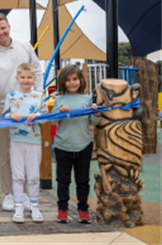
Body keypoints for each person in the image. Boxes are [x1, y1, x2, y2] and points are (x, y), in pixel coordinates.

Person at [0, 12, 43, 212]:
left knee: (28, 149)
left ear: (8, 26)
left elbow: (37, 70)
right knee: (6, 153)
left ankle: (25, 193)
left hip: (30, 108)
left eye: (3, 28)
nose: (1, 32)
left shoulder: (25, 46)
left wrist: (39, 96)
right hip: (4, 109)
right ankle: (10, 193)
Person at [50, 64, 101, 224]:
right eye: (68, 80)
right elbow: (52, 122)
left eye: (75, 79)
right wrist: (60, 112)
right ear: (62, 82)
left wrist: (96, 113)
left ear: (81, 80)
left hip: (84, 146)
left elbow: (92, 121)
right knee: (62, 181)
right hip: (63, 146)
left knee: (83, 181)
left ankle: (83, 210)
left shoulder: (87, 99)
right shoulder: (58, 99)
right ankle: (62, 210)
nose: (72, 83)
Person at [2, 63, 46, 223]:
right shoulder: (11, 96)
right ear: (17, 78)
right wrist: (11, 115)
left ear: (34, 79)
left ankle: (35, 206)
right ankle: (18, 206)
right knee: (18, 176)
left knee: (33, 176)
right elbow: (4, 115)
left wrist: (37, 116)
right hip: (16, 141)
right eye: (23, 77)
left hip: (34, 140)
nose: (26, 80)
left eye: (29, 77)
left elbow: (45, 115)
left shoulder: (39, 96)